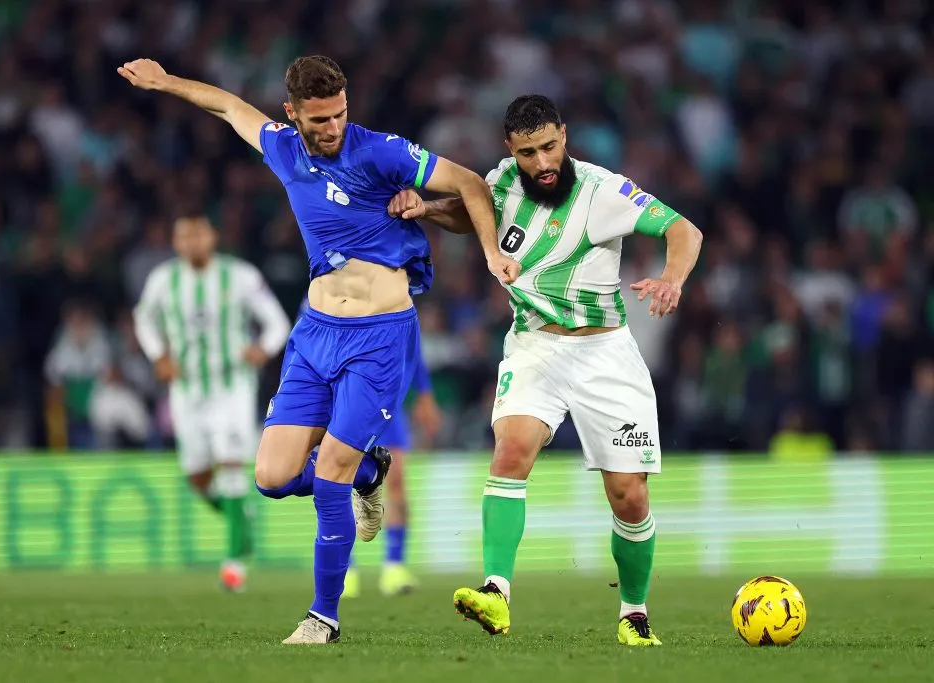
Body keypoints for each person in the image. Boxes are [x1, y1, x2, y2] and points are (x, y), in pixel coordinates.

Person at [118, 55, 518, 644]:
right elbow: (227, 106)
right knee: (271, 476)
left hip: (378, 335)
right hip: (314, 334)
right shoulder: (283, 150)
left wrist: (489, 253)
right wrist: (165, 82)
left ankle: (322, 617)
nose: (332, 127)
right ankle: (368, 471)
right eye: (319, 119)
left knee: (328, 474)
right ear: (292, 114)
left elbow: (471, 184)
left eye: (339, 114)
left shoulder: (380, 151)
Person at [387, 95, 703, 646]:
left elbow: (685, 231)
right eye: (528, 153)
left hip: (605, 353)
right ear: (511, 149)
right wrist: (428, 209)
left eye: (549, 147)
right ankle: (496, 591)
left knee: (629, 496)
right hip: (534, 345)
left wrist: (671, 278)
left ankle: (634, 614)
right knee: (510, 451)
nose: (542, 162)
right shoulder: (503, 181)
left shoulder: (603, 191)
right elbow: (475, 214)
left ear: (565, 135)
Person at [133, 213, 291, 592]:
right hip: (186, 390)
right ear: (175, 242)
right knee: (198, 477)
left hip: (232, 386)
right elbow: (143, 319)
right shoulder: (163, 280)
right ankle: (242, 522)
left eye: (198, 234)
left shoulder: (240, 276)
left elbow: (277, 322)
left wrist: (263, 349)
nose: (192, 242)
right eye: (184, 236)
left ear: (212, 237)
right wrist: (158, 355)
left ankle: (234, 566)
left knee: (232, 463)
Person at [343, 351, 441, 598]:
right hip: (348, 399)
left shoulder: (400, 322)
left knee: (395, 480)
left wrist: (425, 394)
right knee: (340, 481)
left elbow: (412, 347)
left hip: (387, 402)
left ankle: (394, 567)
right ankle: (344, 569)